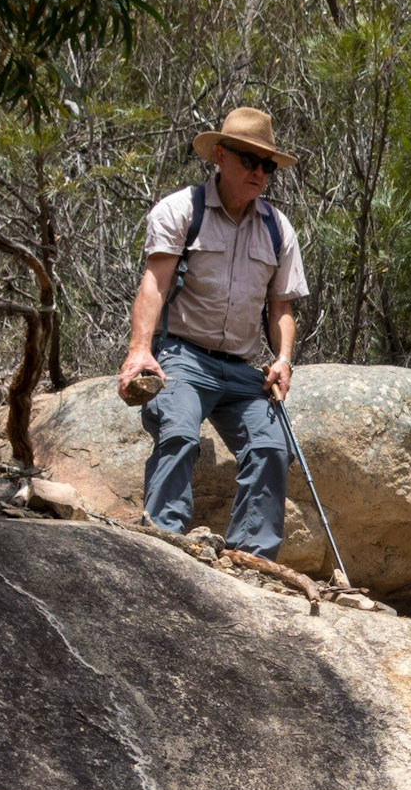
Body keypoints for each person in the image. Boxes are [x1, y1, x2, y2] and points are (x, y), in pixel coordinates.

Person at [118, 106, 309, 557]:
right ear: (220, 156)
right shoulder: (183, 210)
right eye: (249, 159)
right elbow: (154, 284)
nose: (260, 172)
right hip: (183, 355)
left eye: (268, 166)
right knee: (180, 434)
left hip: (242, 371)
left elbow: (281, 307)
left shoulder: (278, 229)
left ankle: (252, 560)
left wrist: (282, 360)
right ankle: (163, 545)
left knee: (271, 448)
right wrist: (140, 351)